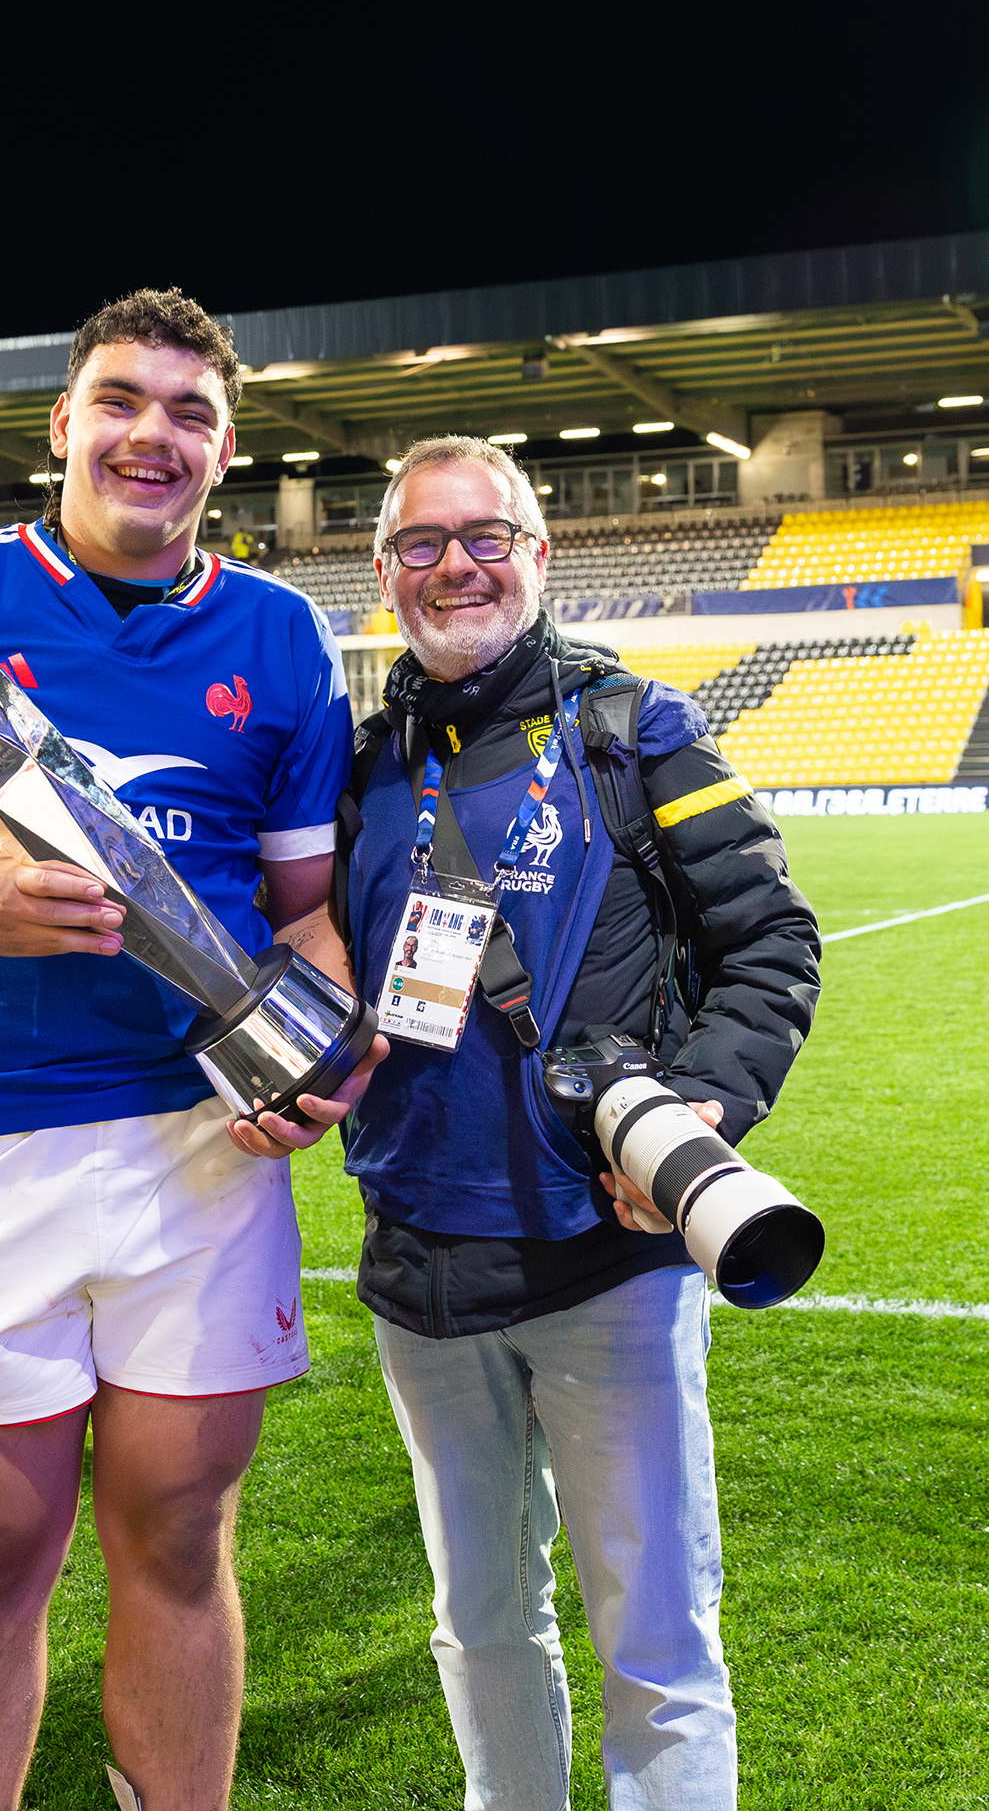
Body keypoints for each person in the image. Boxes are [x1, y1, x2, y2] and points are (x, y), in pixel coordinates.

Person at [0, 288, 384, 1811]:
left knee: (177, 1539)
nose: (149, 434)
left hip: (200, 1153)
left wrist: (315, 1056)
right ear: (62, 424)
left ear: (224, 453)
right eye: (120, 400)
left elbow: (308, 917)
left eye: (187, 414)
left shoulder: (279, 633)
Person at [331, 435, 821, 1811]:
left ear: (537, 556)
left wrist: (701, 1103)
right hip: (418, 1270)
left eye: (484, 536)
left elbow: (771, 941)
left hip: (607, 1263)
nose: (453, 567)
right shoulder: (360, 769)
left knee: (656, 1646)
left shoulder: (633, 729)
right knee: (478, 1625)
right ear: (382, 574)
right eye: (420, 544)